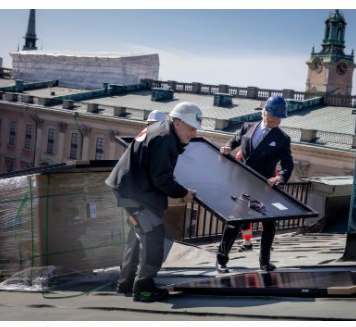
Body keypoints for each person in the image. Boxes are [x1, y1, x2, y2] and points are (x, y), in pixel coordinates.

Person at [106, 102, 202, 302]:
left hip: (130, 188)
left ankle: (125, 283)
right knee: (153, 235)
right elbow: (161, 178)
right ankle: (144, 289)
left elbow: (156, 171)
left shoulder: (162, 131)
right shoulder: (165, 139)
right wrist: (183, 193)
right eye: (191, 128)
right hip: (135, 192)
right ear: (177, 122)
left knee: (138, 235)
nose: (193, 134)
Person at [216, 95, 293, 273]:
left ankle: (264, 262)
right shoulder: (247, 127)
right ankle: (221, 260)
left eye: (279, 117)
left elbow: (288, 164)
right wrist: (227, 147)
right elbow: (233, 141)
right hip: (243, 183)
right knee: (235, 221)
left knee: (269, 224)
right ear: (264, 112)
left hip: (264, 186)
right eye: (273, 115)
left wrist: (281, 176)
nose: (276, 120)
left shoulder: (282, 138)